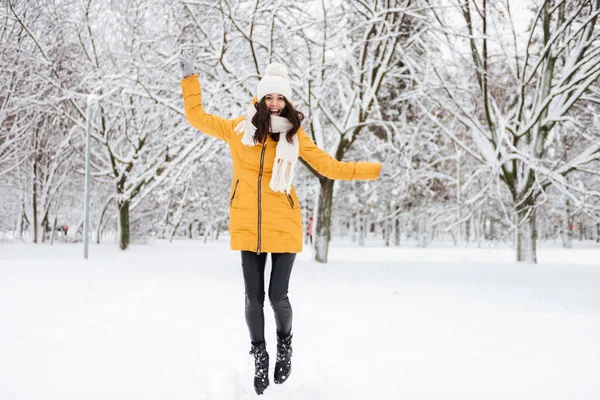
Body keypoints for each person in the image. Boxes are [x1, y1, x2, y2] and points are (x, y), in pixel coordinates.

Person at [178, 49, 395, 395]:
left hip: (284, 224)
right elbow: (197, 116)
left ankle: (285, 345)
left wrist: (376, 170)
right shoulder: (238, 130)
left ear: (287, 100)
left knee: (278, 297)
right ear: (261, 98)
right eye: (270, 96)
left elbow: (331, 167)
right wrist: (190, 78)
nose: (276, 103)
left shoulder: (294, 136)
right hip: (247, 224)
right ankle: (259, 356)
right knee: (253, 298)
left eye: (281, 97)